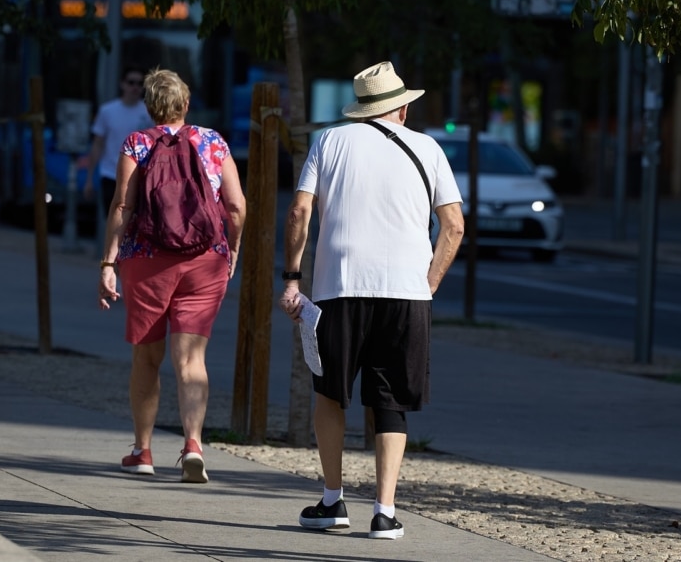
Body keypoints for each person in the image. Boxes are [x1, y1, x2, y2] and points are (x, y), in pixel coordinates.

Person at [280, 61, 465, 540]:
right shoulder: (429, 148)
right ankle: (385, 512)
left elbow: (300, 210)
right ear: (402, 108)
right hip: (407, 293)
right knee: (391, 401)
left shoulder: (329, 141)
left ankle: (331, 499)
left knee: (328, 392)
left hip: (338, 287)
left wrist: (292, 277)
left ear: (360, 109)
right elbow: (455, 226)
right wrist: (429, 284)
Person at [97, 67, 245, 483]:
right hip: (205, 259)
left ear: (148, 107)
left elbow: (122, 208)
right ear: (186, 103)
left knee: (147, 357)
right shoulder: (213, 141)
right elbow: (236, 206)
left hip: (147, 260)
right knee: (191, 360)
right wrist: (230, 247)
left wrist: (109, 262)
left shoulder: (138, 143)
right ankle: (193, 444)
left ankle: (142, 450)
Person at [85, 65, 153, 216]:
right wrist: (89, 179)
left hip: (137, 177)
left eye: (139, 83)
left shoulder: (148, 114)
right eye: (131, 82)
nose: (135, 87)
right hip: (110, 175)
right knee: (112, 221)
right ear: (122, 84)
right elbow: (98, 144)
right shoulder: (107, 111)